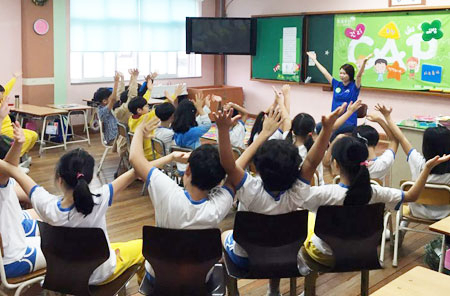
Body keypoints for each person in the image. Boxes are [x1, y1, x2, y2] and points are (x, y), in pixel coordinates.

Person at [215, 104, 345, 296]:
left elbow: (228, 164)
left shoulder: (250, 189)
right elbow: (311, 161)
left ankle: (233, 291)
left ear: (257, 168)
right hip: (288, 257)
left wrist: (223, 130)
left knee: (225, 234)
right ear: (295, 170)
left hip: (247, 259)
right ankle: (273, 289)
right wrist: (326, 130)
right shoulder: (298, 192)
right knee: (276, 239)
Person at [0, 148, 144, 285]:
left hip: (64, 276)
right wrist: (166, 158)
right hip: (99, 274)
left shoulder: (46, 206)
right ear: (90, 178)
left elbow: (17, 174)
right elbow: (137, 169)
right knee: (143, 247)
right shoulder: (101, 199)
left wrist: (12, 168)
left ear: (60, 180)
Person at [303, 136, 449, 268]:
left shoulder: (323, 194)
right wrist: (427, 168)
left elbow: (298, 195)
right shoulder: (377, 192)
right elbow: (412, 195)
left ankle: (309, 288)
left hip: (326, 256)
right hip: (363, 253)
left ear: (335, 164)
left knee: (310, 218)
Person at [129, 116, 233, 285]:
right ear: (219, 180)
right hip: (199, 278)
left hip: (159, 275)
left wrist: (140, 130)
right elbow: (235, 174)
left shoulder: (166, 190)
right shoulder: (219, 205)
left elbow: (135, 158)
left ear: (188, 170)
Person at [381, 104, 450, 219]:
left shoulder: (418, 162)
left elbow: (401, 138)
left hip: (417, 212)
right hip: (446, 215)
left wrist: (387, 116)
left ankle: (402, 230)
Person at [0, 121, 45, 278]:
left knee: (57, 229)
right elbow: (5, 170)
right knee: (67, 245)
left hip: (12, 238)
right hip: (13, 260)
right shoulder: (3, 179)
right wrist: (18, 145)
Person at [307, 51, 372, 139]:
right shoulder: (337, 84)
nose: (341, 75)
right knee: (317, 128)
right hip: (334, 119)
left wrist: (364, 63)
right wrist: (315, 60)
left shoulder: (354, 86)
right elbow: (325, 72)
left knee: (332, 132)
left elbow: (359, 76)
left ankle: (331, 151)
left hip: (348, 122)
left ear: (350, 75)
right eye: (340, 73)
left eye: (344, 74)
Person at [354, 107, 399, 180]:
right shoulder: (383, 163)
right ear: (376, 142)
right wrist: (380, 120)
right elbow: (394, 140)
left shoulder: (348, 164)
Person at [0, 72, 38, 159]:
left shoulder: (2, 99)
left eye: (2, 95)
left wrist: (15, 78)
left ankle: (22, 154)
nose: (3, 97)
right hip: (3, 131)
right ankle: (14, 158)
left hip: (10, 128)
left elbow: (8, 87)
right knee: (26, 138)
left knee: (34, 135)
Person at [172, 93, 212, 173]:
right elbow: (207, 124)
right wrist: (200, 108)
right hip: (193, 168)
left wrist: (205, 107)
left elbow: (198, 120)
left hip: (181, 165)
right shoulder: (191, 132)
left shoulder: (175, 127)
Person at [93, 72, 120, 145]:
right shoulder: (102, 111)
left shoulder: (111, 107)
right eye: (110, 96)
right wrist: (116, 82)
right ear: (104, 101)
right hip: (113, 139)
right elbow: (113, 99)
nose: (114, 96)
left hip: (118, 137)